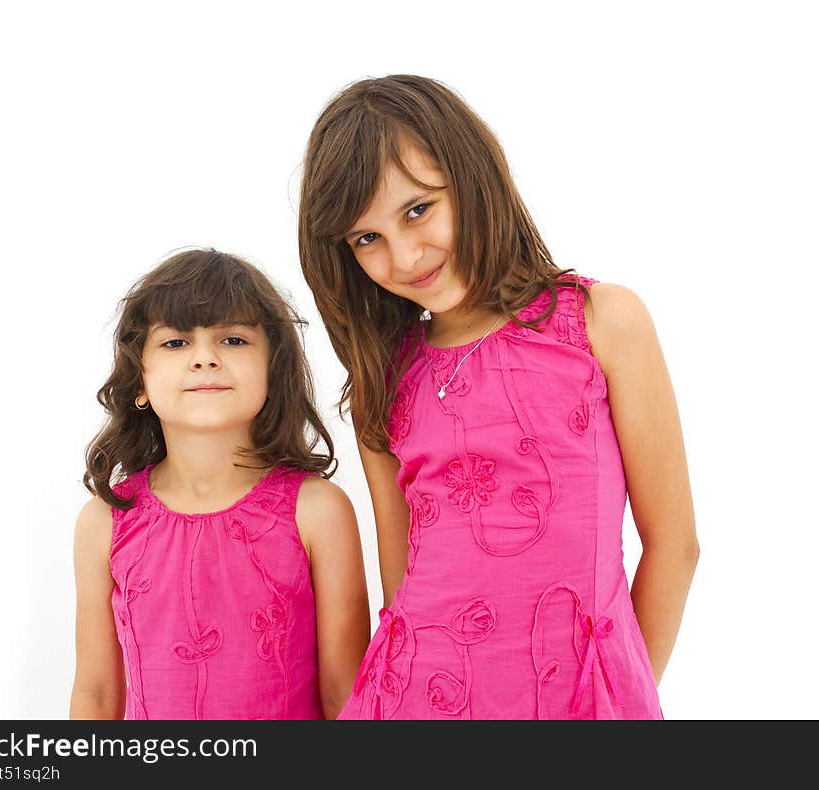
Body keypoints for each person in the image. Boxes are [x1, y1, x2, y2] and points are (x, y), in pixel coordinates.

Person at [298, 75, 699, 719]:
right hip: (416, 702)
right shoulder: (386, 380)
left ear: (471, 174)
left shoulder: (600, 322)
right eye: (366, 238)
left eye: (417, 210)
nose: (404, 256)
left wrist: (616, 696)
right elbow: (401, 590)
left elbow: (675, 544)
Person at [70, 248, 370, 720]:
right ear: (139, 381)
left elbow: (347, 697)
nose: (205, 359)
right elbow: (97, 694)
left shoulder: (318, 511)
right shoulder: (105, 520)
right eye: (175, 343)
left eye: (232, 340)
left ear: (273, 371)